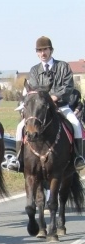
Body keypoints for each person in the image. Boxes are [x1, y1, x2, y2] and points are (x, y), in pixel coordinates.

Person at [5, 36, 85, 172]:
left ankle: (78, 157)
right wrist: (45, 99)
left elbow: (68, 86)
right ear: (37, 53)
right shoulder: (34, 70)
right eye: (39, 50)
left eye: (45, 50)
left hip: (61, 106)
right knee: (19, 128)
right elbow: (35, 89)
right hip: (41, 109)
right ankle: (19, 159)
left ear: (51, 50)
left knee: (76, 124)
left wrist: (55, 96)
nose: (42, 53)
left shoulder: (63, 66)